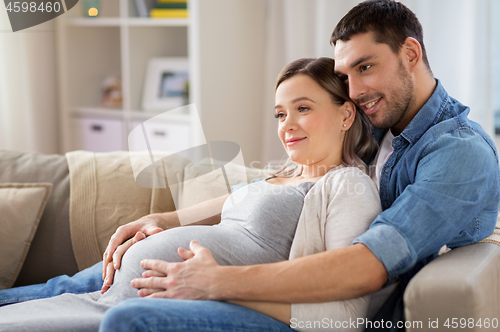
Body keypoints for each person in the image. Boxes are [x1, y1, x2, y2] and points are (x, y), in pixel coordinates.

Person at [98, 0, 500, 331]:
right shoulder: (377, 122)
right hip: (264, 284)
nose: (355, 91)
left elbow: (370, 264)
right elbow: (281, 181)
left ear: (410, 53)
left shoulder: (459, 153)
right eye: (345, 76)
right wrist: (167, 219)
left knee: (127, 318)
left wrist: (216, 282)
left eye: (366, 67)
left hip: (337, 314)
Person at [0, 57, 382, 332]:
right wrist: (161, 220)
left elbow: (343, 318)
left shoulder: (347, 186)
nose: (288, 126)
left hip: (178, 305)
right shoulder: (281, 174)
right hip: (120, 291)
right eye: (280, 114)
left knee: (116, 319)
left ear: (346, 115)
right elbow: (233, 206)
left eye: (303, 108)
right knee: (36, 298)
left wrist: (214, 287)